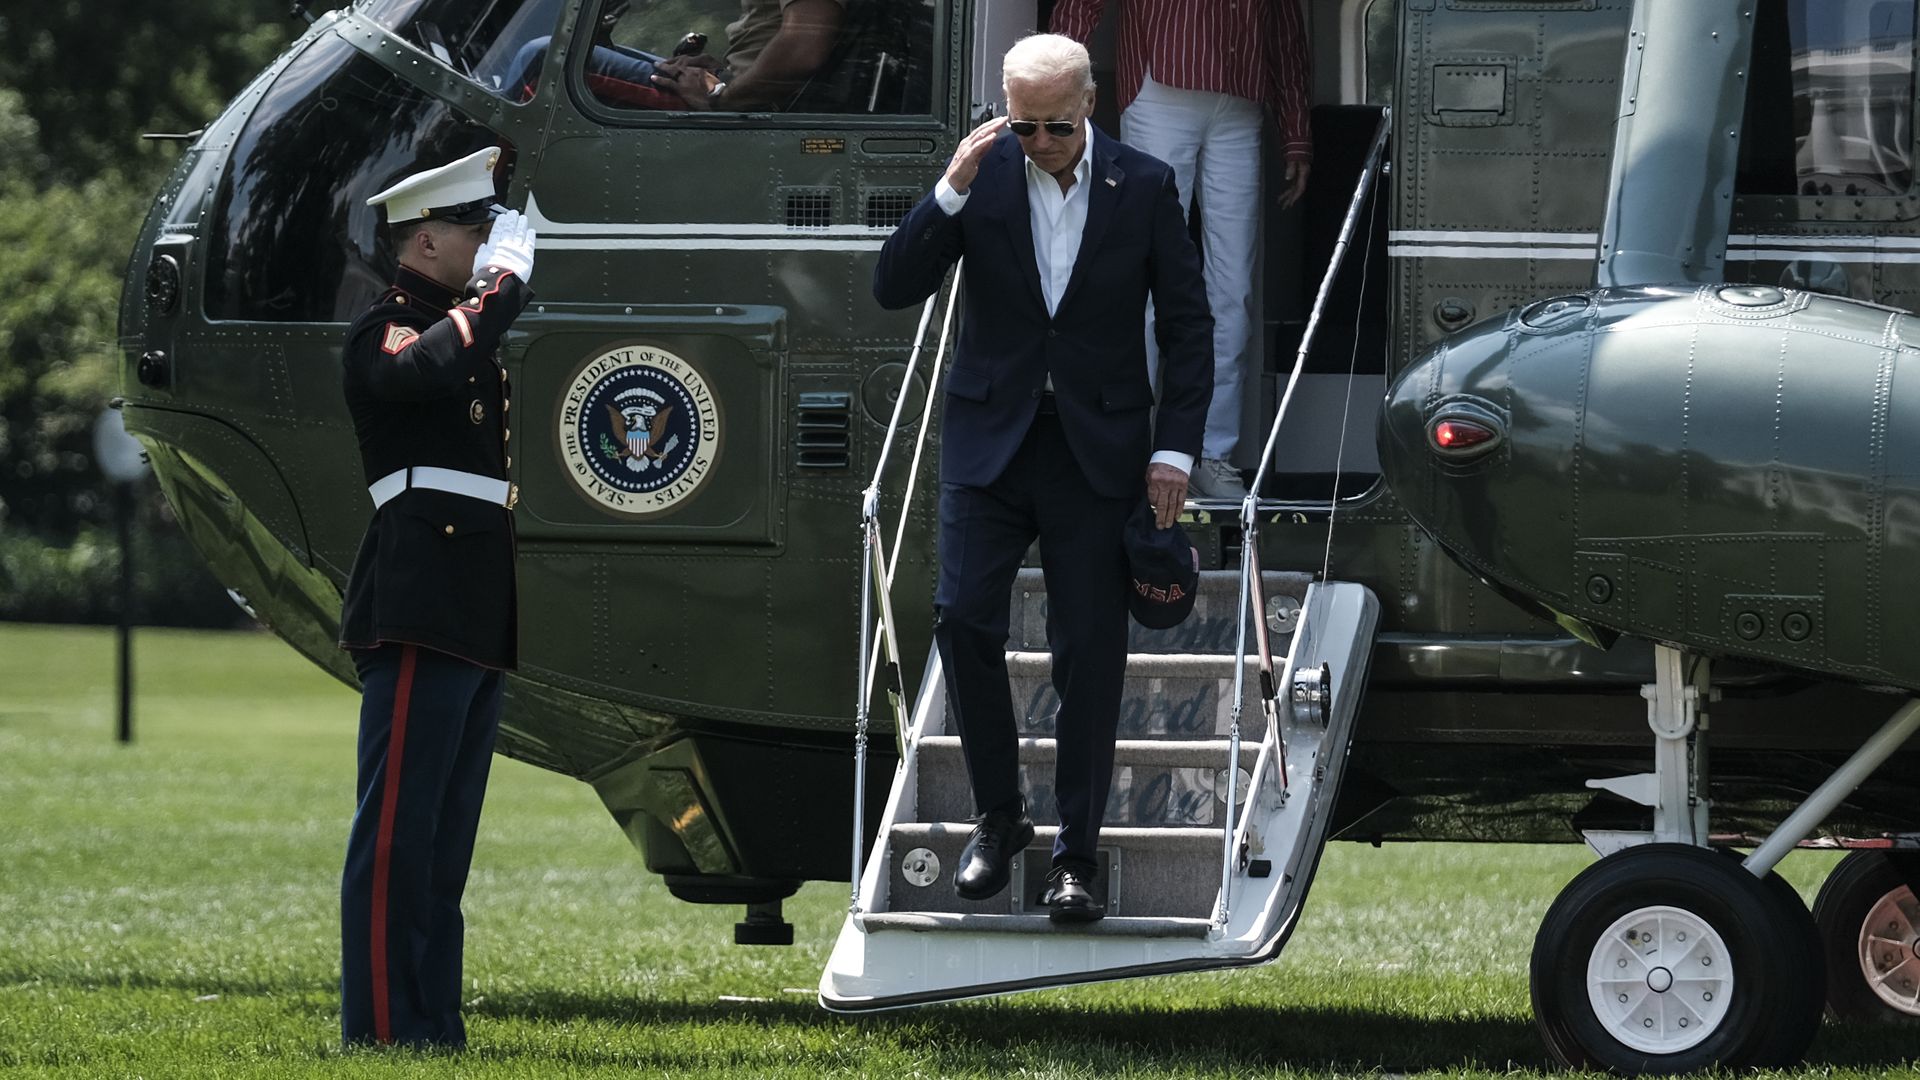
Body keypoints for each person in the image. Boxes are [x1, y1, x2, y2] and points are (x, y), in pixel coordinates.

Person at [872, 34, 1212, 922]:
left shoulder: (1143, 184)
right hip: (991, 442)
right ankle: (998, 819)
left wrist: (1174, 449)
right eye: (1021, 125)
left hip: (1096, 451)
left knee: (1088, 653)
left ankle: (1078, 857)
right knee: (963, 621)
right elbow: (892, 283)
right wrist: (947, 188)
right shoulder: (979, 176)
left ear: (1089, 105)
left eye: (1056, 125)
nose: (1039, 142)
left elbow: (1188, 323)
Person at [336, 146, 536, 1048]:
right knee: (397, 836)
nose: (487, 242)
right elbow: (410, 374)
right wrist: (494, 294)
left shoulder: (451, 323)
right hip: (420, 595)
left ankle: (432, 1027)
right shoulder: (387, 324)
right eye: (472, 228)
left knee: (445, 840)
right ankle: (382, 1026)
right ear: (424, 240)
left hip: (470, 599)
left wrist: (485, 297)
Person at [1052, 0, 1314, 499]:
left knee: (1233, 284)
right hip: (1160, 85)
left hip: (1240, 96)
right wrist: (1051, 90)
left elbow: (1284, 30)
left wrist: (1298, 134)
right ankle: (1133, 443)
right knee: (1142, 276)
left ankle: (1211, 452)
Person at [647, 0, 845, 111]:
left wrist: (722, 99)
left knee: (613, 68)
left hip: (749, 104)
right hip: (738, 86)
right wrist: (726, 68)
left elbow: (802, 49)